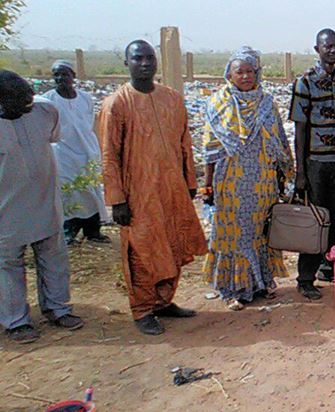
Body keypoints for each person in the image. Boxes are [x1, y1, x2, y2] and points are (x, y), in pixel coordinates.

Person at [100, 40, 207, 335]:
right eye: (138, 58)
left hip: (172, 190)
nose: (145, 63)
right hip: (138, 194)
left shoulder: (172, 99)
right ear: (127, 64)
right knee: (142, 250)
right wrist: (117, 200)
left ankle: (163, 301)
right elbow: (109, 155)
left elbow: (185, 143)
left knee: (172, 245)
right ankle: (142, 308)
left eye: (150, 58)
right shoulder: (117, 105)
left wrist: (189, 182)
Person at [201, 47, 292, 311]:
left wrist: (282, 177)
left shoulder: (266, 102)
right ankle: (231, 289)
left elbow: (278, 141)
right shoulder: (219, 102)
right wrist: (207, 185)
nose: (246, 76)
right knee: (231, 233)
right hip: (229, 180)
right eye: (240, 71)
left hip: (262, 181)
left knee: (258, 232)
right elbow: (210, 146)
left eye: (250, 71)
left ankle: (260, 283)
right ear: (229, 73)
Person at [1, 70, 84, 344]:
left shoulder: (45, 111)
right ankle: (16, 321)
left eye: (29, 96)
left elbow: (53, 137)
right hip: (6, 212)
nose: (28, 102)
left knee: (54, 259)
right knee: (8, 267)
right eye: (20, 99)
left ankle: (58, 309)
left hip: (45, 203)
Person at [289, 29, 335, 299]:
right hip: (315, 164)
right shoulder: (305, 83)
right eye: (327, 47)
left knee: (334, 219)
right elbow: (300, 131)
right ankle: (305, 278)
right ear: (317, 49)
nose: (332, 51)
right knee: (314, 222)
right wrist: (300, 172)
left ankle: (328, 265)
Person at [41, 60, 110, 245]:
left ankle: (93, 231)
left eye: (64, 74)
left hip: (87, 150)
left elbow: (88, 123)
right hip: (63, 154)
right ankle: (69, 230)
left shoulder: (85, 98)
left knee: (91, 189)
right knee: (69, 191)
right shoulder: (49, 100)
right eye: (56, 74)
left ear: (73, 76)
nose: (60, 78)